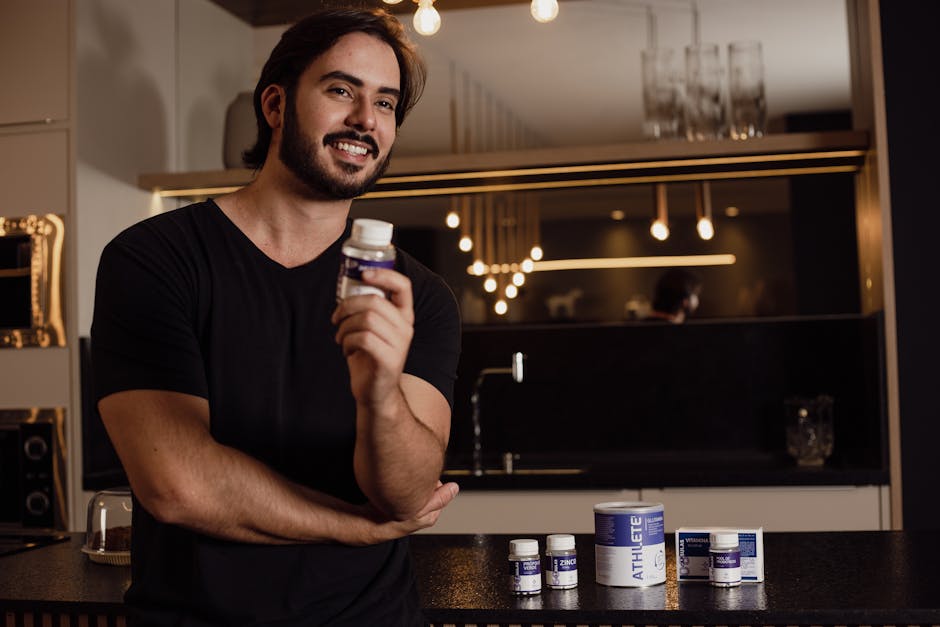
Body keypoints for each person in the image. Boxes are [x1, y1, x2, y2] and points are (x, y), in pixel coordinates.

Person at [90, 8, 461, 626]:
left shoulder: (418, 296)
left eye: (386, 103)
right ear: (275, 105)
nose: (365, 119)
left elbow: (405, 496)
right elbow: (177, 484)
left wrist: (380, 394)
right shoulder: (154, 259)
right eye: (341, 90)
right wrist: (352, 527)